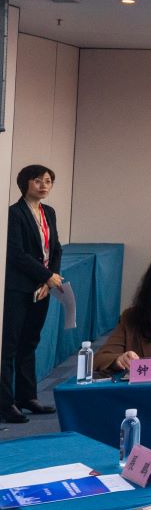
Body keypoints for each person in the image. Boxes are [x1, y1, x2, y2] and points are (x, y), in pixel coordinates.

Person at [3, 165, 63, 422]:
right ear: (25, 183)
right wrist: (45, 275)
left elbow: (56, 248)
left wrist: (50, 280)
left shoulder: (49, 212)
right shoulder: (14, 214)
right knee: (9, 346)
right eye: (37, 181)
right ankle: (5, 404)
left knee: (30, 342)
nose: (43, 185)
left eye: (48, 181)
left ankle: (27, 397)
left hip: (42, 287)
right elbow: (16, 254)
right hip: (18, 288)